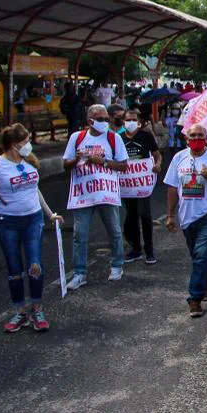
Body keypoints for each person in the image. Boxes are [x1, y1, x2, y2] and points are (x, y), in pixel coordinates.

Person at [0, 123, 63, 333]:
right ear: (12, 145)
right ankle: (19, 311)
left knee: (35, 266)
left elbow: (35, 190)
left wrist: (50, 213)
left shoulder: (29, 161)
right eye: (24, 142)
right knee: (14, 269)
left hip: (33, 220)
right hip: (6, 221)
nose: (29, 145)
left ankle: (37, 309)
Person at [63, 104, 130, 290]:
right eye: (101, 119)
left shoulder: (113, 138)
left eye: (107, 119)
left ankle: (117, 265)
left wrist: (104, 162)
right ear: (90, 121)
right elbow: (65, 164)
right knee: (79, 234)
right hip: (83, 194)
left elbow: (124, 166)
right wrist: (76, 160)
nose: (105, 122)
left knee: (114, 231)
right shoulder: (77, 138)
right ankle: (79, 273)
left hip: (106, 193)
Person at [164, 124, 207, 318]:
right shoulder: (178, 158)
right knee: (197, 255)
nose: (197, 138)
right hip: (187, 216)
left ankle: (194, 298)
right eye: (193, 135)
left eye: (201, 135)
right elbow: (173, 188)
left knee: (201, 254)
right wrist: (170, 215)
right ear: (186, 138)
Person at [120, 108, 161, 264]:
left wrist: (157, 165)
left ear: (139, 123)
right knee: (131, 216)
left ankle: (149, 251)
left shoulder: (145, 136)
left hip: (142, 183)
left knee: (144, 214)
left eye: (133, 120)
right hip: (127, 184)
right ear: (123, 122)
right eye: (128, 120)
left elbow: (157, 155)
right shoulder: (118, 138)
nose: (131, 123)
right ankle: (136, 249)